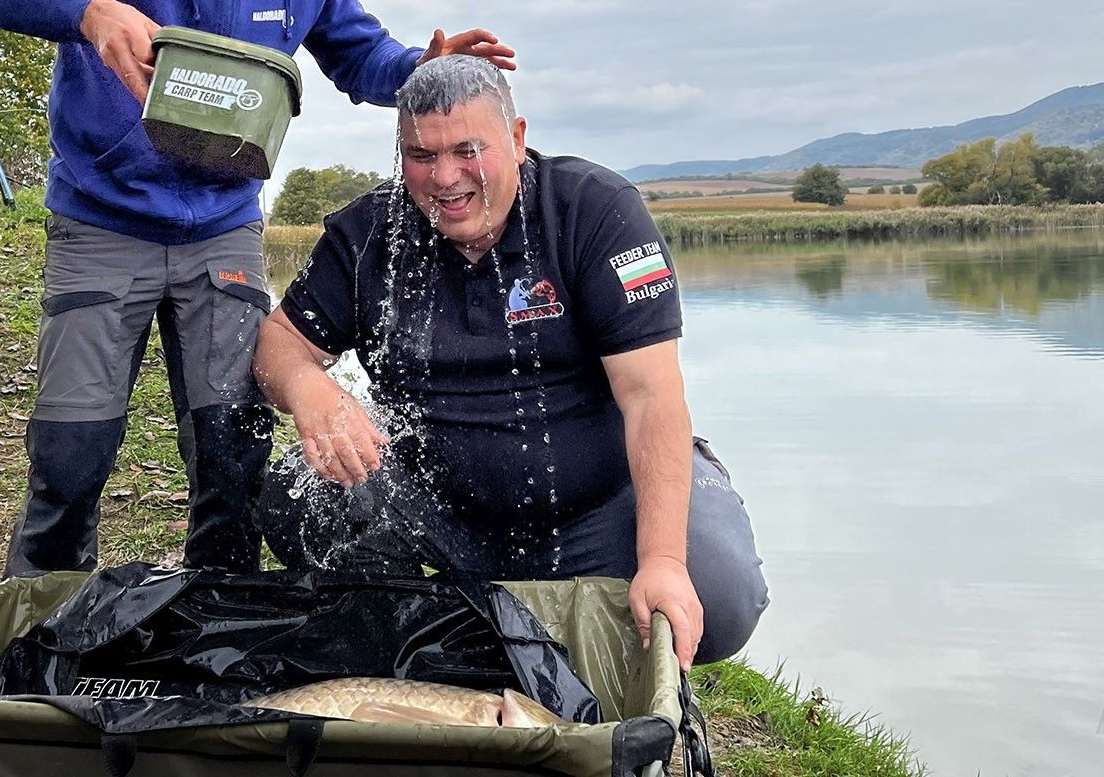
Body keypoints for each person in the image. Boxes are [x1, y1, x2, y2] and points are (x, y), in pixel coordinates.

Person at [0, 0, 514, 577]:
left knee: (231, 458)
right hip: (103, 219)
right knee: (72, 453)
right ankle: (43, 643)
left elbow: (358, 55)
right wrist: (88, 8)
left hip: (223, 230)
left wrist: (416, 68)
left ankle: (220, 633)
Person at [253, 57, 767, 668]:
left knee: (721, 598)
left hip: (601, 503)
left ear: (517, 139)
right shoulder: (369, 233)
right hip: (444, 509)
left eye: (469, 149)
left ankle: (613, 620)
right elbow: (278, 343)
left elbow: (651, 395)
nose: (445, 177)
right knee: (294, 495)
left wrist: (660, 561)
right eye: (421, 154)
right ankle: (423, 627)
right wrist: (313, 393)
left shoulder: (596, 211)